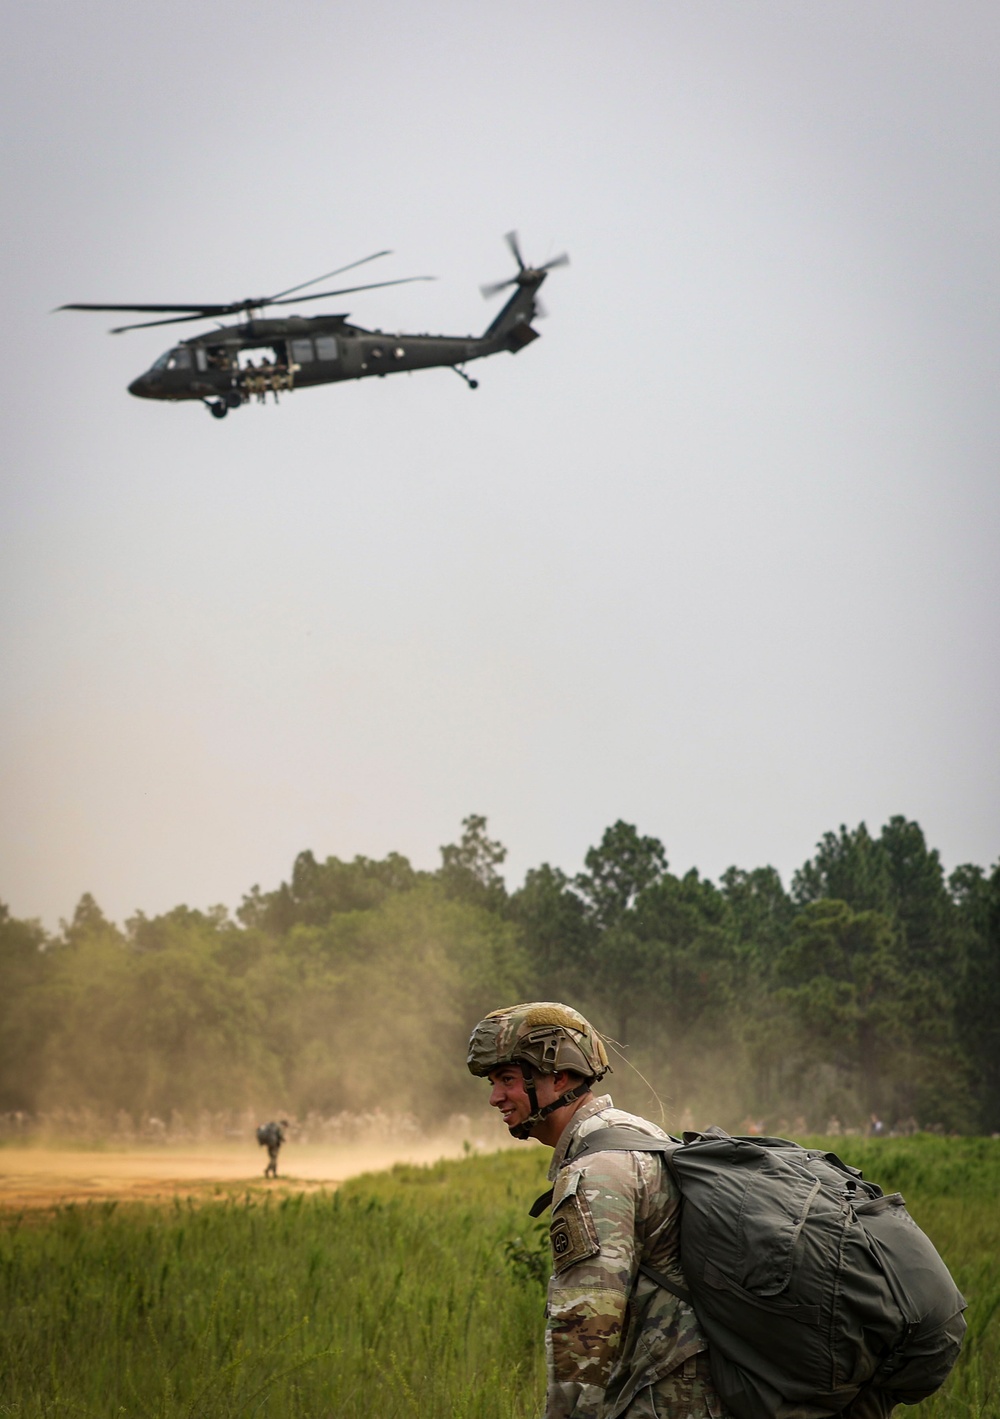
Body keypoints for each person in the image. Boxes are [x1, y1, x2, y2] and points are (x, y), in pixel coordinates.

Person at [467, 1002, 730, 1419]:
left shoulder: (597, 1172)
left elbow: (586, 1335)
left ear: (560, 1076)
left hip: (664, 1396)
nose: (495, 1097)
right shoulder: (638, 1133)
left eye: (508, 1079)